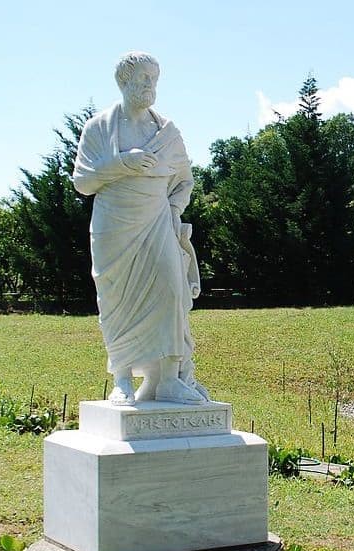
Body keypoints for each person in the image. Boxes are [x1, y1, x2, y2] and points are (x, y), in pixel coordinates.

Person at [72, 51, 207, 405]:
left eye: (154, 79)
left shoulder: (167, 132)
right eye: (144, 78)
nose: (150, 85)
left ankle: (169, 380)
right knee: (117, 299)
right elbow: (83, 182)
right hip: (114, 227)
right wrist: (120, 164)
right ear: (124, 81)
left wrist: (172, 211)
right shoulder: (99, 127)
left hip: (158, 223)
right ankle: (122, 380)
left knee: (171, 292)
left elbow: (184, 182)